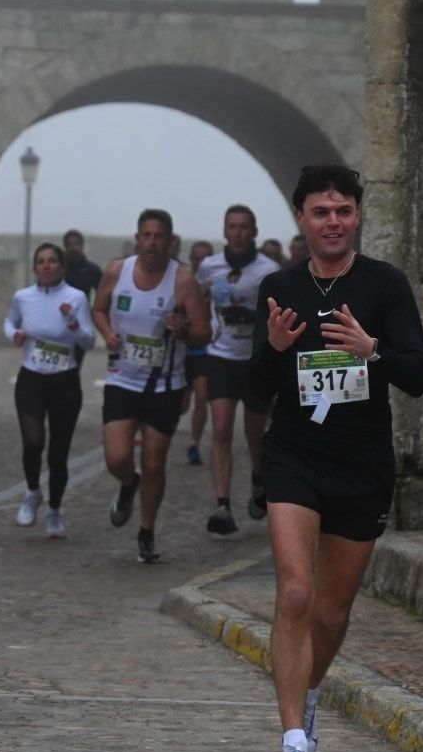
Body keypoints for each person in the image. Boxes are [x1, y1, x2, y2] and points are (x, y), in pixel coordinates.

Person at [251, 165, 423, 752]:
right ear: (301, 218)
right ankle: (294, 742)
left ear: (357, 216)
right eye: (321, 212)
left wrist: (371, 350)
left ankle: (311, 687)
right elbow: (255, 390)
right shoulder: (278, 286)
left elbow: (417, 375)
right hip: (295, 457)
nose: (333, 222)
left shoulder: (385, 285)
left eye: (344, 211)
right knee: (295, 594)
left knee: (330, 612)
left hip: (361, 463)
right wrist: (273, 349)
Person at [92, 209, 210, 564]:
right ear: (138, 238)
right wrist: (108, 333)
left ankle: (146, 531)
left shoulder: (183, 280)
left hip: (165, 385)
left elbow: (205, 333)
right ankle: (129, 483)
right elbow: (98, 309)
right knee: (117, 458)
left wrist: (184, 330)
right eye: (146, 235)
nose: (152, 242)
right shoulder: (118, 270)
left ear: (170, 241)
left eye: (159, 236)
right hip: (123, 379)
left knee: (155, 464)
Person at [196, 205, 281, 535]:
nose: (238, 232)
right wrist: (199, 325)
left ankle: (259, 476)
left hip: (255, 359)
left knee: (254, 432)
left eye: (244, 227)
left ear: (254, 232)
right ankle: (222, 505)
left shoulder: (268, 269)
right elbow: (195, 297)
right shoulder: (209, 267)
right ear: (225, 231)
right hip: (220, 357)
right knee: (220, 430)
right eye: (232, 226)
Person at [5, 243, 95, 537]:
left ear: (62, 266)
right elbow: (10, 321)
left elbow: (88, 341)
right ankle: (33, 492)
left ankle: (54, 511)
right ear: (35, 268)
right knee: (33, 442)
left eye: (52, 261)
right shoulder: (23, 297)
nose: (46, 266)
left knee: (58, 453)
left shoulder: (76, 298)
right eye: (41, 261)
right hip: (31, 379)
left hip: (64, 381)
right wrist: (14, 334)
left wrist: (71, 322)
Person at [183, 239, 216, 466]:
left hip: (205, 350)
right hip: (182, 349)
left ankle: (194, 443)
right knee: (182, 403)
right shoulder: (183, 282)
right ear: (191, 259)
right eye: (196, 258)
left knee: (202, 397)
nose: (200, 262)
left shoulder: (217, 284)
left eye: (205, 258)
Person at [61, 229, 103, 300]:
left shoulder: (93, 270)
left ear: (82, 245)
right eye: (70, 244)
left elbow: (102, 296)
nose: (73, 248)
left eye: (77, 244)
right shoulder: (58, 269)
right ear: (65, 246)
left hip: (83, 310)